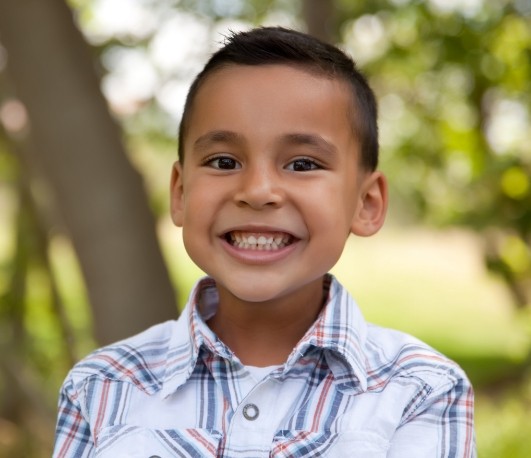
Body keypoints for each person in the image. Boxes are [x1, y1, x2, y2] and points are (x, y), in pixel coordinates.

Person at [53, 26, 476, 457]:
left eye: (302, 163)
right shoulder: (103, 387)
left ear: (366, 203)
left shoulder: (420, 390)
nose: (257, 191)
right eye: (224, 161)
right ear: (180, 194)